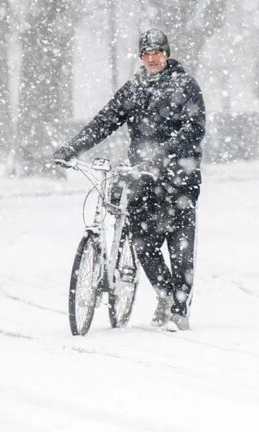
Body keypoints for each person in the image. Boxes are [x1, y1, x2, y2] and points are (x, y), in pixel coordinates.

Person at [53, 28, 205, 332]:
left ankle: (179, 309)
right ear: (141, 57)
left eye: (158, 53)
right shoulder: (134, 88)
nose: (152, 59)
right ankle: (164, 294)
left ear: (167, 54)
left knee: (180, 248)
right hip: (142, 179)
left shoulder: (185, 86)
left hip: (179, 181)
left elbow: (194, 129)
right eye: (147, 54)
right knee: (144, 244)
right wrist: (73, 147)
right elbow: (105, 120)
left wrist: (162, 154)